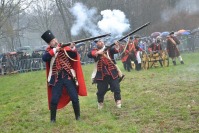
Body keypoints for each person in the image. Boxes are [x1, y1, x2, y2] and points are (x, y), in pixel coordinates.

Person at [41, 30, 87, 123]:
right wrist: (55, 50)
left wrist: (73, 48)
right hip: (56, 79)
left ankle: (78, 117)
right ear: (49, 43)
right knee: (54, 100)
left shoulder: (64, 47)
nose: (55, 41)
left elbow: (73, 56)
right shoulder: (49, 51)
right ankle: (52, 120)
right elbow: (45, 58)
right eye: (53, 40)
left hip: (68, 77)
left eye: (55, 39)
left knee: (74, 97)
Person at [87, 39, 122, 109]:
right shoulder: (95, 50)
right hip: (101, 74)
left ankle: (118, 101)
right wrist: (97, 52)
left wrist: (117, 45)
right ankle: (100, 102)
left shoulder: (109, 49)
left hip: (112, 72)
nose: (99, 43)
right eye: (98, 42)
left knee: (116, 88)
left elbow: (116, 50)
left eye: (101, 41)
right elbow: (90, 54)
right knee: (101, 91)